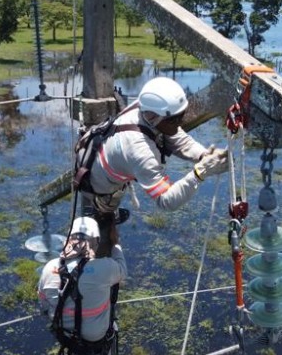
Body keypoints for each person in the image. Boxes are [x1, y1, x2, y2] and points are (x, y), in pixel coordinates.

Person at [75, 76, 229, 253]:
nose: (180, 123)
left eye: (182, 116)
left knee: (119, 180)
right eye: (174, 120)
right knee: (104, 220)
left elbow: (178, 138)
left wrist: (203, 155)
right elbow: (166, 201)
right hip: (97, 182)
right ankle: (105, 229)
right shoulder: (140, 152)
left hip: (95, 152)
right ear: (153, 117)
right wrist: (200, 173)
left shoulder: (145, 110)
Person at [38, 216, 126, 355]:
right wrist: (115, 244)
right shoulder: (105, 267)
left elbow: (42, 304)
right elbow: (122, 269)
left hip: (68, 339)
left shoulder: (50, 268)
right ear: (95, 241)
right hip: (96, 339)